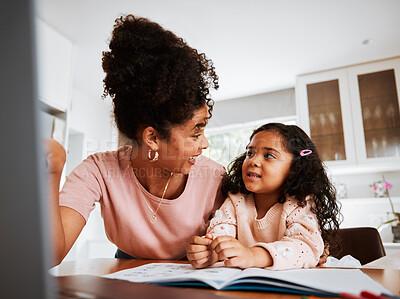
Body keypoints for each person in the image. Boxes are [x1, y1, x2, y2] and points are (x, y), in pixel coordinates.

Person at [46, 14, 224, 265]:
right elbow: (51, 254)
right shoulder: (98, 171)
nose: (205, 144)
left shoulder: (216, 180)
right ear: (152, 137)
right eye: (196, 132)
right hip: (125, 277)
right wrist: (51, 173)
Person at [187, 123, 341, 270]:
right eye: (250, 153)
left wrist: (252, 255)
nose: (253, 161)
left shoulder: (300, 204)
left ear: (295, 168)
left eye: (269, 155)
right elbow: (220, 234)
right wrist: (210, 253)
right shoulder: (235, 201)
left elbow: (305, 246)